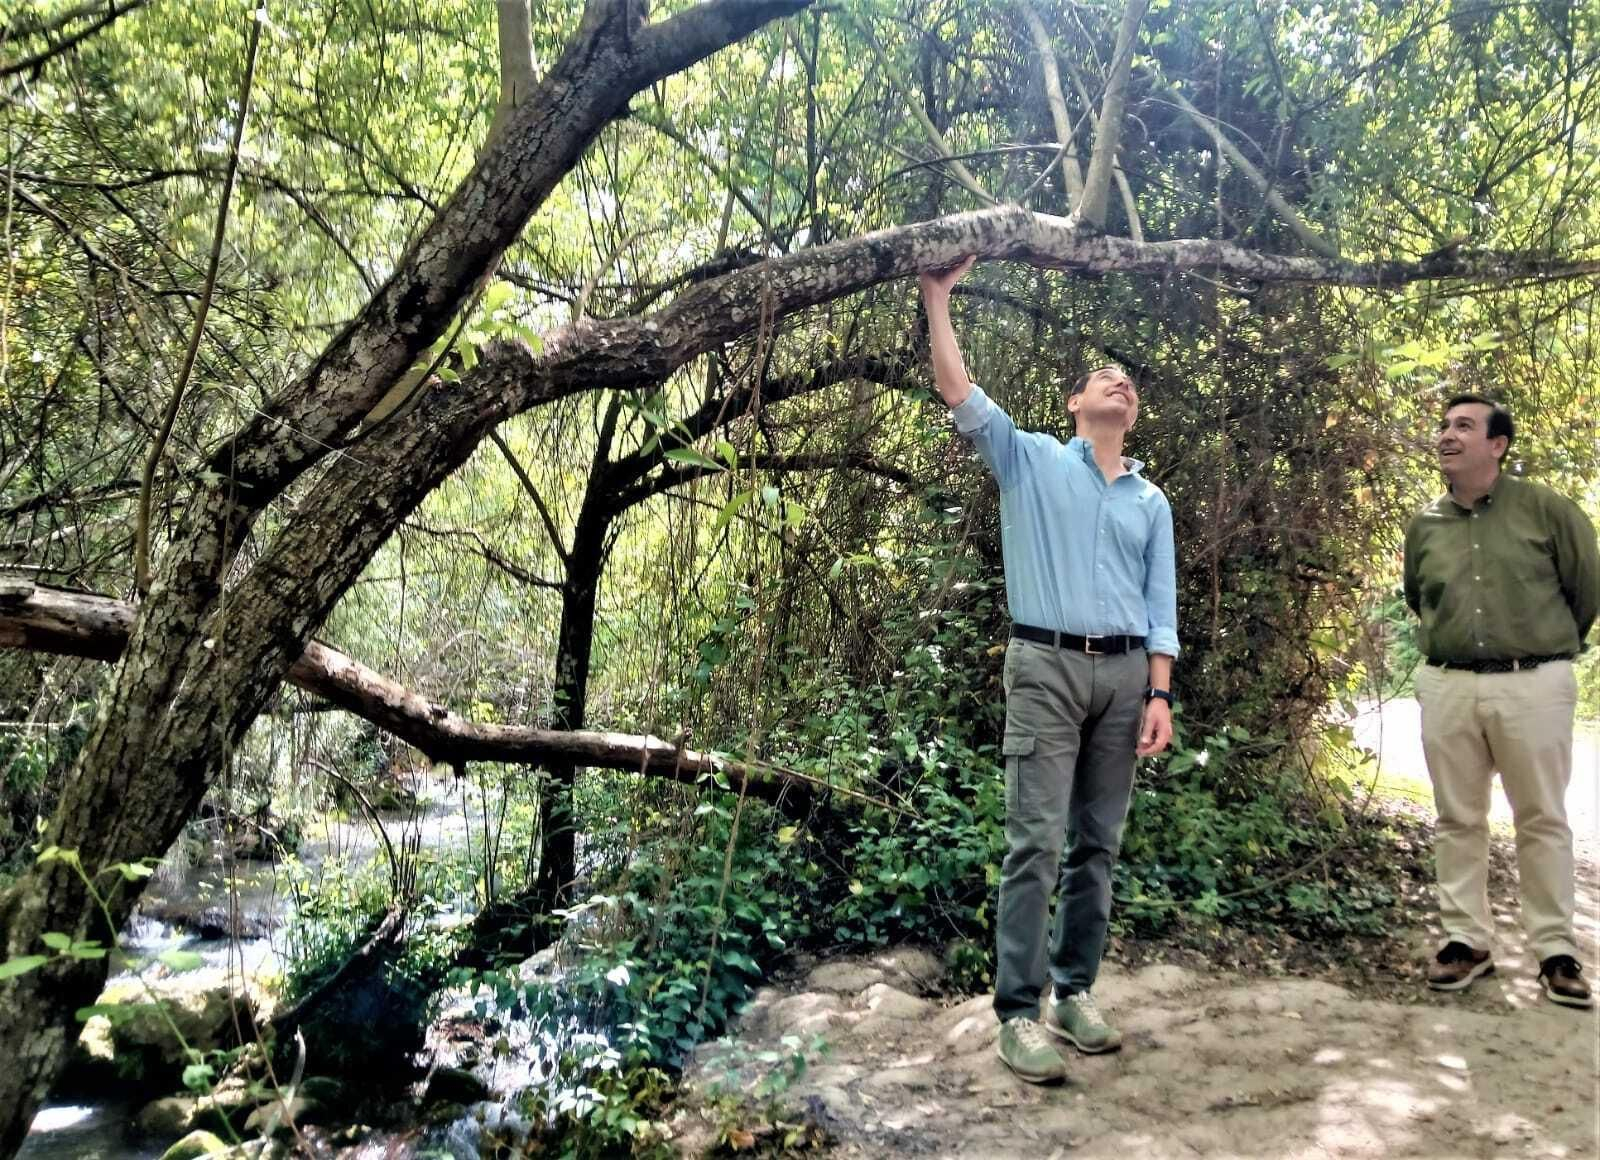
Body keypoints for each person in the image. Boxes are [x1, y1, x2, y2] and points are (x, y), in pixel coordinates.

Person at [919, 257, 1178, 1083]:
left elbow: (1161, 602)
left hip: (1126, 676)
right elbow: (957, 388)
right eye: (1103, 378)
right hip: (1046, 667)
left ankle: (1074, 992)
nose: (1120, 385)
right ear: (1075, 406)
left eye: (1129, 382)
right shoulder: (1028, 459)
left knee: (1097, 843)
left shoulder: (1150, 499)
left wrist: (1160, 693)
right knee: (1036, 841)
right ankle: (1018, 1013)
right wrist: (937, 297)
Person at [1403, 393, 1598, 1009]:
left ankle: (1554, 950)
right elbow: (1419, 598)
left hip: (1533, 682)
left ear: (1498, 444)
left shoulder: (1546, 509)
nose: (1447, 435)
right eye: (1443, 426)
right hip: (1449, 683)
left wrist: (1543, 651)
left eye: (1464, 425)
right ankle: (1466, 941)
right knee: (1457, 818)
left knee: (1541, 816)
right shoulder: (1425, 524)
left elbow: (1586, 587)